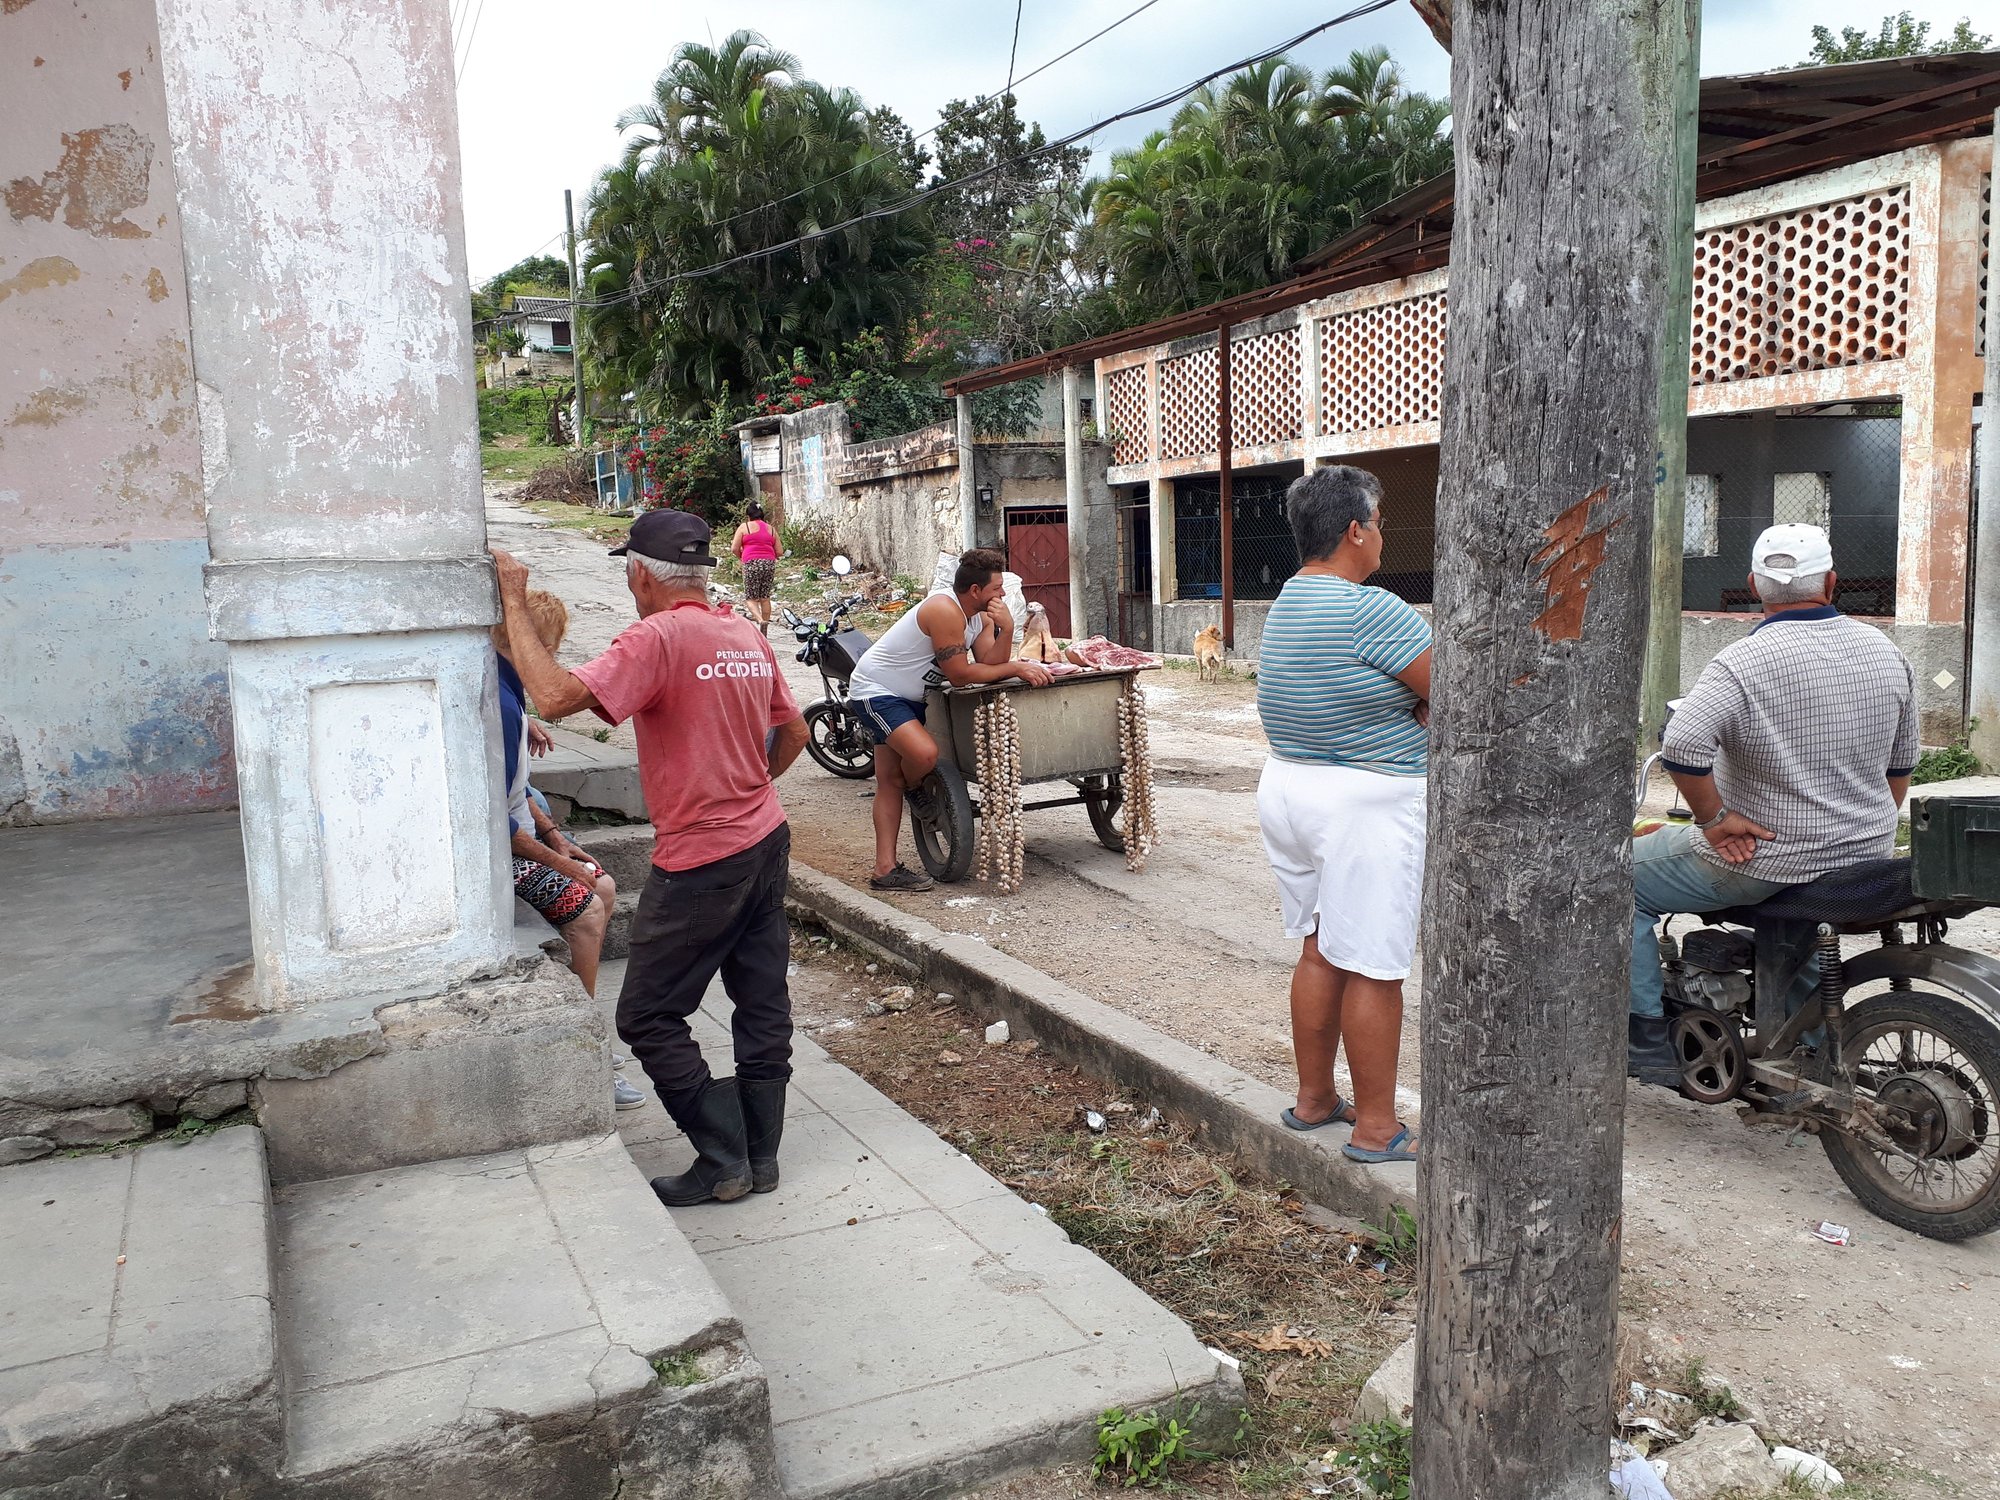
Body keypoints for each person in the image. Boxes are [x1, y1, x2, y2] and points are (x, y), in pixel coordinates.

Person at [492, 509, 810, 1207]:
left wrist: (513, 600)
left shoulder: (657, 637)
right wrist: (750, 789)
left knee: (645, 1015)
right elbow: (794, 729)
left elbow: (552, 696)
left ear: (641, 574)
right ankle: (762, 1157)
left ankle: (724, 1158)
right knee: (760, 1002)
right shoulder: (743, 632)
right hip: (765, 839)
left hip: (702, 859)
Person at [1627, 523, 1918, 1084]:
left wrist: (1714, 820)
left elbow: (1682, 744)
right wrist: (1851, 825)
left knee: (1614, 873)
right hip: (1865, 856)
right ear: (1832, 582)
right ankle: (1808, 1045)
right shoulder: (1887, 653)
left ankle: (1644, 1035)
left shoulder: (1742, 662)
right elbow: (1899, 771)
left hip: (1763, 858)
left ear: (1754, 584)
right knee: (1803, 931)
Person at [1254, 466, 1431, 1165]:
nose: (1382, 536)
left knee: (1320, 946)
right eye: (1379, 522)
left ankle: (1315, 1099)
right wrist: (1417, 706)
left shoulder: (1288, 601)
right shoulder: (1373, 608)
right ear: (1356, 530)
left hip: (1290, 788)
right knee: (1375, 967)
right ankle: (1378, 1128)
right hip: (1366, 802)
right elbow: (1456, 696)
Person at [491, 590, 641, 1109]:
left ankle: (584, 1019)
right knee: (587, 906)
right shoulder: (499, 704)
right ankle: (584, 1045)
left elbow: (516, 794)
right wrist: (560, 860)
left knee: (601, 881)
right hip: (495, 853)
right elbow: (495, 823)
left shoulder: (505, 692)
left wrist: (556, 837)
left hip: (517, 837)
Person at [845, 547, 1052, 892]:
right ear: (975, 591)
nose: (1002, 594)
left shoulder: (980, 616)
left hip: (908, 697)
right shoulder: (944, 610)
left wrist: (1007, 628)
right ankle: (915, 789)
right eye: (997, 588)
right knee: (925, 755)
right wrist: (1017, 666)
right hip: (876, 690)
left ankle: (885, 871)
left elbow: (988, 663)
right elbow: (959, 675)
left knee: (889, 781)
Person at [729, 503, 780, 634]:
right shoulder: (771, 529)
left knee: (751, 598)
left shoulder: (744, 527)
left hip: (751, 563)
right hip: (769, 563)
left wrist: (742, 557)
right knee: (765, 597)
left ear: (748, 516)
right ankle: (765, 628)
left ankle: (760, 620)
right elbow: (779, 551)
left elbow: (734, 548)